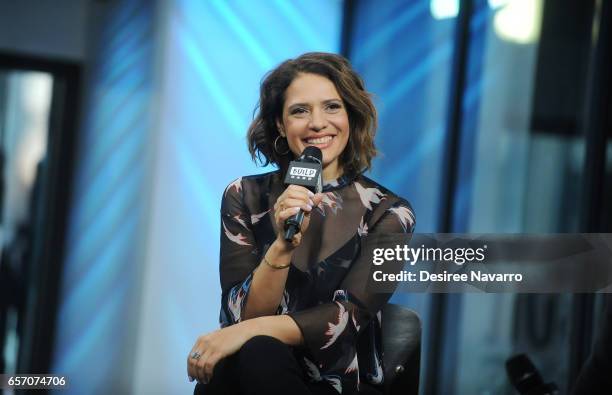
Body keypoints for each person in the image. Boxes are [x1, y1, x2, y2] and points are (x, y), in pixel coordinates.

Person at [187, 52, 416, 395]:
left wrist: (241, 334)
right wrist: (283, 245)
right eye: (299, 111)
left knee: (254, 353)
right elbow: (242, 317)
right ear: (280, 124)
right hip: (251, 369)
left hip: (334, 381)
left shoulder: (389, 212)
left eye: (332, 107)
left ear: (350, 117)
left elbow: (346, 317)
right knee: (247, 360)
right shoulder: (244, 195)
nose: (317, 123)